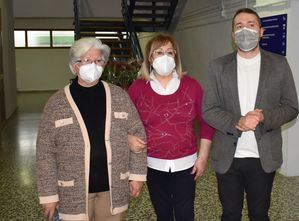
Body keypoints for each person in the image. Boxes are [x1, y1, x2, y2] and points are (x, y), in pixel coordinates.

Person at [202, 8, 298, 221]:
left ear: (261, 31)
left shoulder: (279, 64)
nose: (245, 29)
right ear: (233, 34)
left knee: (259, 214)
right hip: (229, 156)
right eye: (239, 26)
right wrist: (238, 121)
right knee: (230, 214)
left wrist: (264, 117)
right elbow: (209, 110)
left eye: (251, 25)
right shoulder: (218, 67)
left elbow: (292, 106)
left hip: (263, 156)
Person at [36, 37, 147, 221]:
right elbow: (45, 152)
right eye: (87, 61)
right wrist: (49, 194)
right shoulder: (57, 103)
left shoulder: (118, 96)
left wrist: (137, 175)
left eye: (98, 61)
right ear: (74, 66)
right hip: (73, 192)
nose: (93, 65)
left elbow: (137, 133)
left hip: (112, 188)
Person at [127, 34, 214, 221]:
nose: (164, 57)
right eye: (158, 52)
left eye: (169, 52)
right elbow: (123, 121)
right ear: (150, 58)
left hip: (186, 164)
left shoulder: (192, 86)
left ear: (176, 56)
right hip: (151, 164)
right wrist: (128, 137)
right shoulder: (138, 88)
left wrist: (203, 157)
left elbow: (206, 123)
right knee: (163, 214)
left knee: (185, 215)